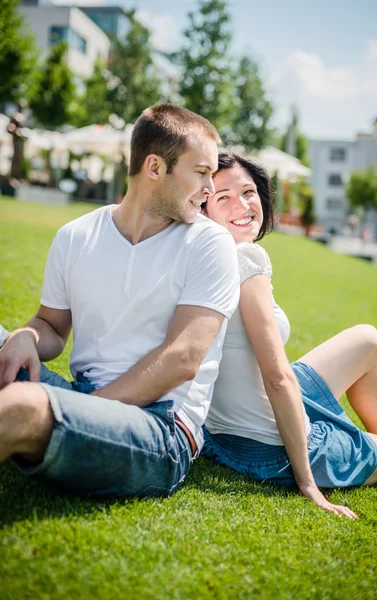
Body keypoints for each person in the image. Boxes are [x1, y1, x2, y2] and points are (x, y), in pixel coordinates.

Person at [0, 105, 240, 498]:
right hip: (81, 398)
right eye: (201, 173)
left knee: (25, 406)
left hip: (160, 433)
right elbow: (52, 327)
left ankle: (42, 420)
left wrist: (85, 409)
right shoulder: (76, 235)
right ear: (154, 167)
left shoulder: (210, 244)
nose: (211, 189)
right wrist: (25, 335)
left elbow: (183, 359)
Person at [201, 152, 377, 519]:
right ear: (203, 209)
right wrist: (308, 482)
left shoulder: (204, 257)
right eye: (223, 197)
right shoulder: (246, 258)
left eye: (248, 191)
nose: (242, 204)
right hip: (268, 446)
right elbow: (277, 378)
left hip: (224, 433)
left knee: (367, 340)